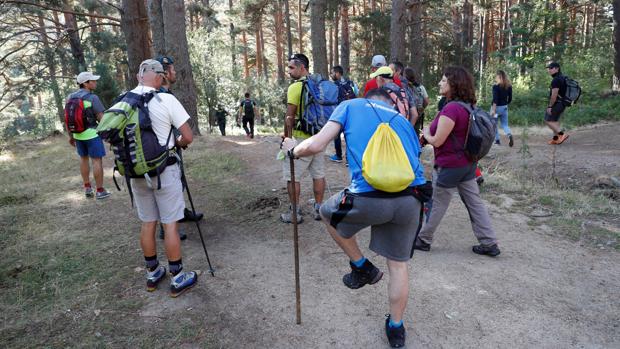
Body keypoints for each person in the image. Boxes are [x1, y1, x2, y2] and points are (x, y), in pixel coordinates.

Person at [281, 88, 426, 348]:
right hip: (410, 200)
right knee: (398, 265)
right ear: (389, 102)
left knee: (327, 212)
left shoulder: (351, 105)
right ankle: (396, 330)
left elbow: (316, 144)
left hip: (368, 197)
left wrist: (292, 149)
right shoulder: (402, 121)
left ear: (369, 98)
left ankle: (361, 266)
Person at [129, 59, 198, 297]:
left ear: (139, 77)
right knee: (170, 223)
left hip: (136, 171)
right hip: (164, 169)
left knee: (148, 222)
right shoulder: (166, 99)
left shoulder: (123, 100)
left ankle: (152, 272)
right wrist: (176, 144)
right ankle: (178, 277)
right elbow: (187, 137)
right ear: (159, 78)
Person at [415, 66, 500, 257]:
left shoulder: (452, 109)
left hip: (450, 166)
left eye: (444, 80)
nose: (440, 83)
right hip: (468, 164)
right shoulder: (468, 106)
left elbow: (437, 140)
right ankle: (489, 242)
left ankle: (424, 239)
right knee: (474, 203)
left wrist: (426, 133)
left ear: (454, 84)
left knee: (437, 203)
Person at [154, 55, 203, 241]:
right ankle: (165, 226)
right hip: (164, 151)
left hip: (173, 146)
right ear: (165, 74)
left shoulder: (165, 94)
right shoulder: (160, 96)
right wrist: (180, 141)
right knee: (167, 186)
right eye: (172, 70)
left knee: (178, 181)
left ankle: (181, 212)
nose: (175, 73)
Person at [281, 53, 326, 223]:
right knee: (318, 174)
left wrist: (286, 139)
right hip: (319, 138)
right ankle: (319, 209)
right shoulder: (319, 85)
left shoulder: (295, 87)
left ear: (302, 67)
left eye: (292, 67)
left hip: (301, 139)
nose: (289, 71)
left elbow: (289, 117)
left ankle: (295, 213)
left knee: (293, 176)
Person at [65, 71, 111, 200]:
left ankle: (87, 188)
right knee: (96, 160)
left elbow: (68, 118)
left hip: (78, 135)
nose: (95, 82)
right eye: (93, 81)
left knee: (83, 159)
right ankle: (100, 191)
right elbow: (101, 118)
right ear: (85, 83)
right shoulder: (92, 97)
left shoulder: (70, 97)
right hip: (92, 134)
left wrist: (71, 135)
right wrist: (108, 134)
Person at [329, 65, 358, 163]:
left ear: (337, 73)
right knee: (348, 136)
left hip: (339, 113)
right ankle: (349, 159)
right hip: (351, 113)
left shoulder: (334, 85)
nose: (331, 75)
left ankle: (338, 155)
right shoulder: (350, 83)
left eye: (332, 72)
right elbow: (356, 95)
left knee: (336, 135)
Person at [544, 62, 569, 145]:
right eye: (549, 68)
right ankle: (555, 139)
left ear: (557, 69)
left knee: (548, 121)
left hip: (557, 103)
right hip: (563, 103)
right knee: (554, 121)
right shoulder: (562, 78)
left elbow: (554, 95)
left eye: (551, 68)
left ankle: (562, 134)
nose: (549, 70)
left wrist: (550, 106)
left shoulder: (556, 80)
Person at [403, 67, 430, 134]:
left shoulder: (405, 87)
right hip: (419, 112)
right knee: (416, 131)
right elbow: (426, 101)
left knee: (407, 132)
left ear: (405, 76)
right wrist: (422, 108)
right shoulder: (421, 87)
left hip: (409, 113)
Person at [491, 70, 514, 147]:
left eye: (496, 76)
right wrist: (506, 104)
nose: (495, 77)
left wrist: (493, 110)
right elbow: (510, 98)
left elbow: (495, 99)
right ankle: (509, 134)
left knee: (494, 124)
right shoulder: (509, 86)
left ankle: (497, 141)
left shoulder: (495, 87)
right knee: (505, 125)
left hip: (496, 109)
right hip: (504, 108)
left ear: (499, 77)